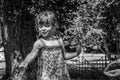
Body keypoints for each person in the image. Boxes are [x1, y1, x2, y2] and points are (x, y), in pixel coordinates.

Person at [19, 11, 82, 80]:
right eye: (40, 26)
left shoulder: (59, 41)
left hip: (60, 75)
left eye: (47, 26)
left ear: (54, 26)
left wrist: (77, 53)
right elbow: (31, 55)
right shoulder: (39, 43)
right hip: (46, 75)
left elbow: (65, 55)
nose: (43, 29)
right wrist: (24, 63)